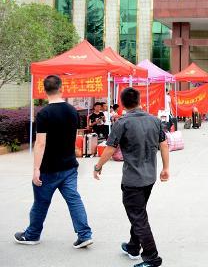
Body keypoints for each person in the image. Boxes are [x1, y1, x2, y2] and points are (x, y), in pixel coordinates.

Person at [14, 75, 93, 248]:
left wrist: (36, 169)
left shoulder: (44, 114)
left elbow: (40, 143)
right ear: (61, 88)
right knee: (74, 199)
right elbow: (74, 136)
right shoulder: (72, 111)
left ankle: (32, 235)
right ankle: (84, 234)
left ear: (44, 91)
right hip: (69, 166)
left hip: (49, 168)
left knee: (41, 202)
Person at [94, 87, 169, 267]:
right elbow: (164, 145)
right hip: (150, 177)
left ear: (122, 104)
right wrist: (166, 168)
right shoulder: (155, 120)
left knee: (138, 216)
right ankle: (133, 247)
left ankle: (152, 257)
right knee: (139, 212)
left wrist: (98, 166)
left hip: (133, 179)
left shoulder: (122, 123)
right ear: (139, 100)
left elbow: (110, 149)